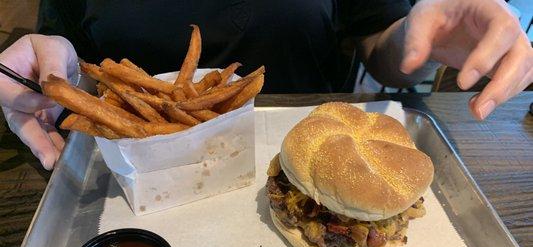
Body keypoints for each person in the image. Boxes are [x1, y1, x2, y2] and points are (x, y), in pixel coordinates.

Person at [0, 0, 532, 170]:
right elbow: (61, 41)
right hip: (128, 168)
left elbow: (383, 42)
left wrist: (422, 44)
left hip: (301, 147)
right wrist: (47, 63)